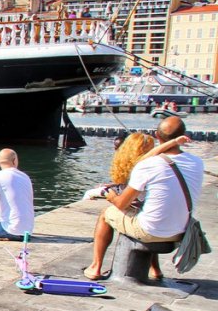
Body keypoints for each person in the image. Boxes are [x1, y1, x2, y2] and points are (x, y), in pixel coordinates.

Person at [83, 117, 204, 280]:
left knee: (107, 214)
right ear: (183, 134)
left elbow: (121, 203)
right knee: (150, 212)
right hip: (182, 232)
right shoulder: (197, 162)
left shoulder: (148, 165)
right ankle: (155, 270)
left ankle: (95, 267)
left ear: (157, 136)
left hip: (151, 231)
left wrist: (109, 195)